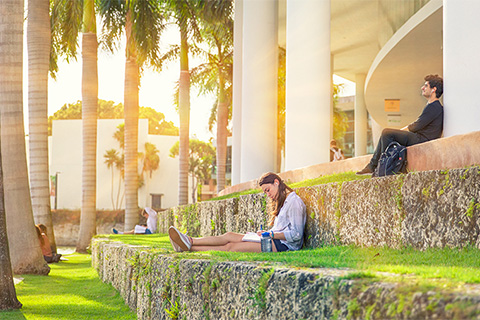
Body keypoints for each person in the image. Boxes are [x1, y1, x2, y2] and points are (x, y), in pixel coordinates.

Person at [168, 172, 307, 252]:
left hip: (283, 245)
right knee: (229, 235)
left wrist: (271, 234)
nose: (268, 195)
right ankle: (190, 240)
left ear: (276, 182)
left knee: (231, 247)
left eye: (267, 190)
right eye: (265, 192)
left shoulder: (293, 202)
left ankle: (189, 248)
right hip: (271, 239)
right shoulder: (282, 202)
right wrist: (268, 233)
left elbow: (296, 235)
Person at [356, 74, 444, 175]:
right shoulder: (432, 106)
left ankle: (379, 166)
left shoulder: (434, 107)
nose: (422, 88)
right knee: (387, 134)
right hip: (420, 137)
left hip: (423, 139)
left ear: (433, 89)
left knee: (387, 133)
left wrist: (400, 132)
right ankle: (375, 166)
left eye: (425, 86)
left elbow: (416, 126)